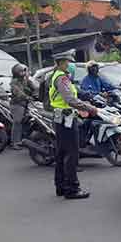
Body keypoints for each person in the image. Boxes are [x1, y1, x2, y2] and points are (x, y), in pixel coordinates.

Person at [48, 49, 97, 200]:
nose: (69, 65)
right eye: (68, 62)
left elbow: (75, 93)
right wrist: (90, 108)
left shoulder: (54, 76)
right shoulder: (61, 78)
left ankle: (61, 186)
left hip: (60, 118)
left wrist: (88, 98)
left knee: (61, 153)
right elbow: (70, 100)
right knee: (71, 154)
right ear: (62, 62)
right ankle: (72, 189)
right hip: (66, 119)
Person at [10, 64, 36, 150]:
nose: (23, 73)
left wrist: (38, 93)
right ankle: (15, 142)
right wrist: (27, 97)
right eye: (21, 71)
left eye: (24, 71)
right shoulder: (14, 82)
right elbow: (18, 92)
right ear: (16, 73)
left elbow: (34, 88)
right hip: (17, 104)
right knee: (18, 122)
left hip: (27, 103)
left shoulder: (25, 80)